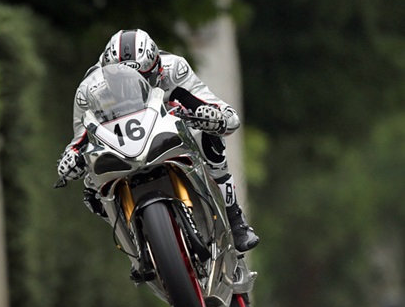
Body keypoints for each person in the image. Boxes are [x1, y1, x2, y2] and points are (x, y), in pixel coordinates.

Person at [57, 28, 259, 254]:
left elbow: (222, 112)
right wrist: (72, 157)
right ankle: (134, 246)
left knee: (207, 139)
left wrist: (214, 117)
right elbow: (82, 135)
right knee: (91, 189)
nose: (131, 85)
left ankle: (235, 220)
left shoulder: (174, 68)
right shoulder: (89, 89)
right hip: (120, 145)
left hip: (168, 133)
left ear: (156, 67)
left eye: (141, 79)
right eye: (120, 82)